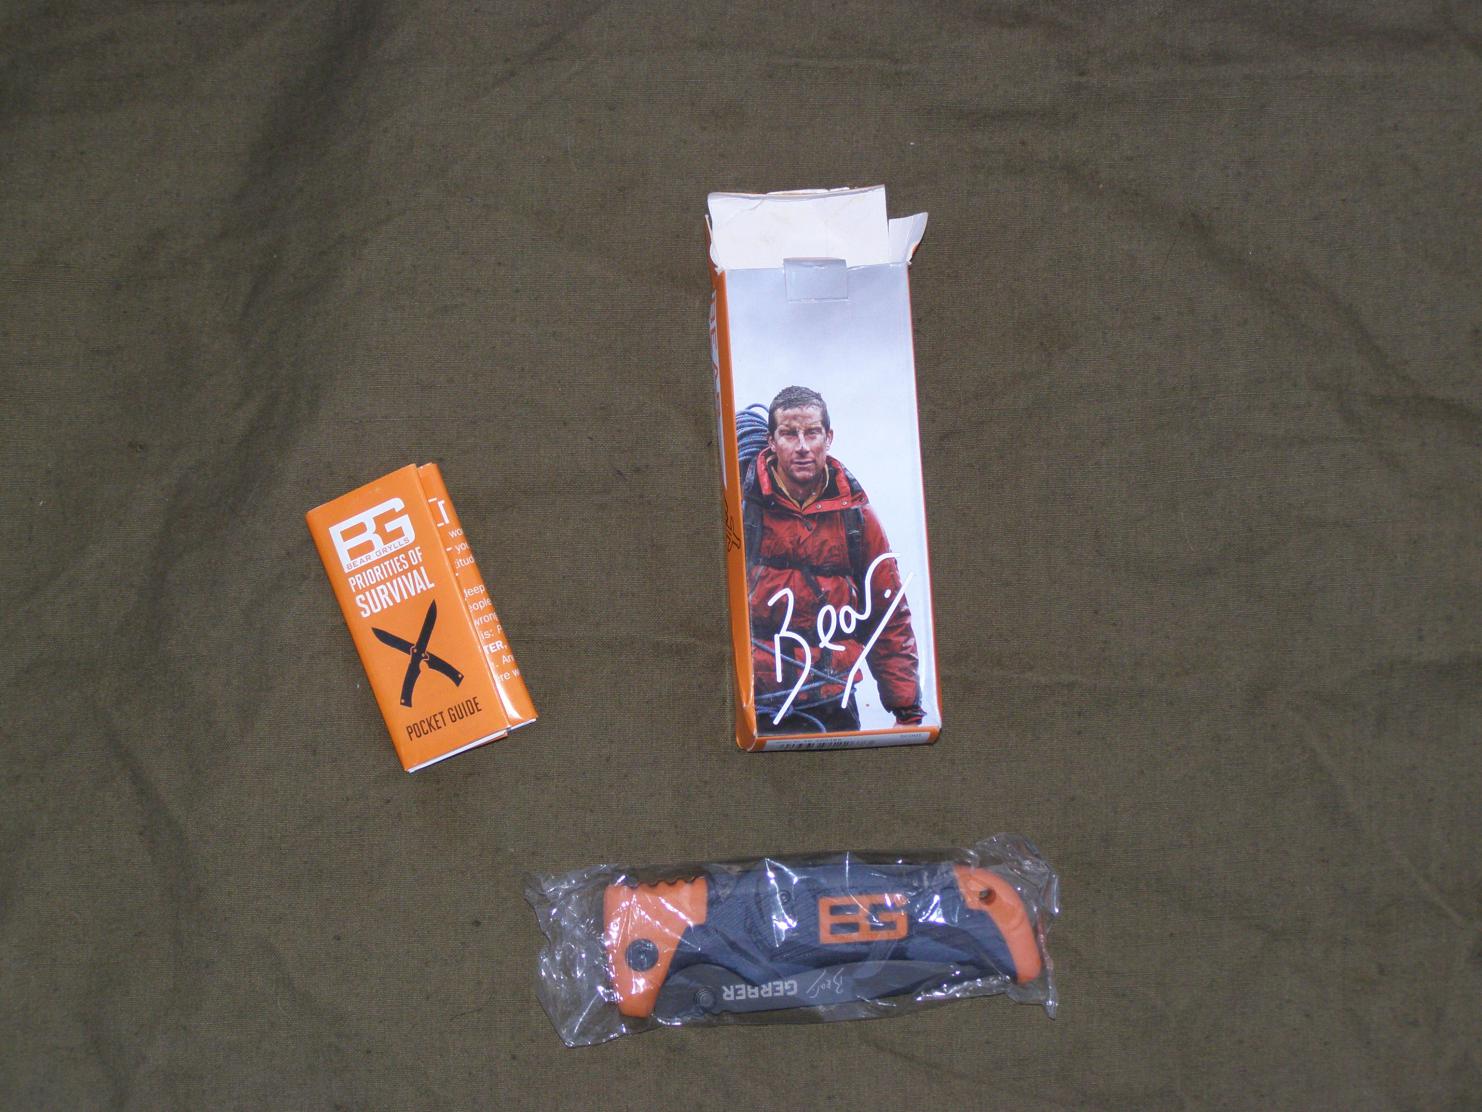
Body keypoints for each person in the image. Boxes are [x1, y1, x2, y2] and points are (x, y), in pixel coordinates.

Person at [742, 386, 924, 734]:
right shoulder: (741, 512)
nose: (802, 446)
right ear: (771, 441)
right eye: (789, 434)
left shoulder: (857, 518)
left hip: (834, 702)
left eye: (812, 433)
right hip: (758, 704)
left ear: (829, 437)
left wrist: (907, 710)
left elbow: (889, 616)